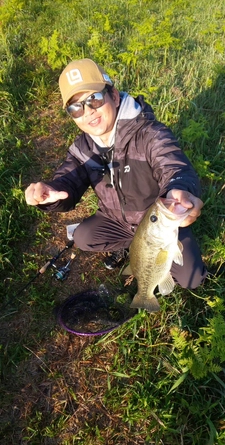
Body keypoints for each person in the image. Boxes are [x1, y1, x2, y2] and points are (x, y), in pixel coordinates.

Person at [25, 58, 207, 288]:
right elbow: (67, 180)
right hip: (115, 219)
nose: (88, 112)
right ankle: (131, 246)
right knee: (82, 237)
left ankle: (148, 250)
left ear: (114, 96)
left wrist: (179, 189)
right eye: (75, 108)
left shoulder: (150, 134)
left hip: (156, 221)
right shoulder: (83, 148)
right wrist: (50, 193)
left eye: (94, 99)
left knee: (192, 278)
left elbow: (173, 165)